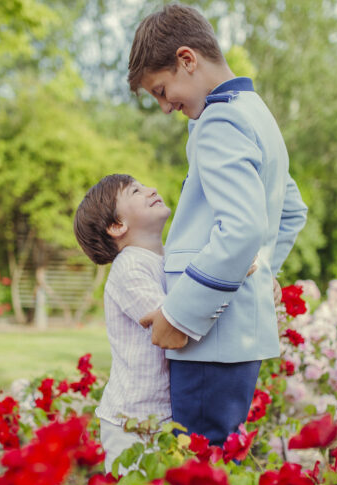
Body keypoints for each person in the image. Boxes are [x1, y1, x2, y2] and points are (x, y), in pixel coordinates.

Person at [129, 3, 308, 447]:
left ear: (187, 60)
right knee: (218, 464)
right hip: (234, 336)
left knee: (198, 475)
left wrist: (181, 315)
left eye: (160, 89)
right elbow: (290, 210)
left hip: (208, 336)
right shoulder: (256, 112)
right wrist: (261, 268)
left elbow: (243, 230)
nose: (165, 107)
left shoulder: (219, 120)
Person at [73, 173, 175, 473]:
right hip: (132, 421)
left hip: (158, 415)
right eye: (135, 191)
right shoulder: (129, 265)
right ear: (117, 226)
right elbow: (167, 323)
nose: (151, 189)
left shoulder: (166, 258)